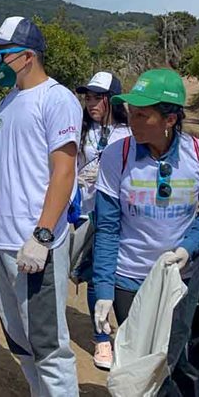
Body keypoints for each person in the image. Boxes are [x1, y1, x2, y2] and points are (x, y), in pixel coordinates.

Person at [0, 16, 80, 395]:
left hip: (34, 242)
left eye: (2, 53)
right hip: (2, 240)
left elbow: (64, 171)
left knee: (48, 345)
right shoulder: (7, 102)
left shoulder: (57, 99)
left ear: (27, 56)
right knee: (21, 343)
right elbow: (5, 171)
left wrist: (43, 234)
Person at [92, 69, 199, 336]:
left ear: (170, 119)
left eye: (142, 115)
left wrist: (189, 247)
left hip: (181, 279)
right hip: (129, 281)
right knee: (139, 361)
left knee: (176, 362)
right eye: (131, 112)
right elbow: (107, 227)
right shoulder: (116, 156)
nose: (132, 121)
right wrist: (104, 290)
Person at [75, 71, 131, 371]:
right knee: (97, 276)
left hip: (119, 217)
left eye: (98, 97)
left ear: (114, 100)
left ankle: (128, 336)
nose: (91, 103)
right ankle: (101, 339)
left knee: (120, 276)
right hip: (87, 213)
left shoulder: (129, 134)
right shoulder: (83, 132)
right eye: (88, 97)